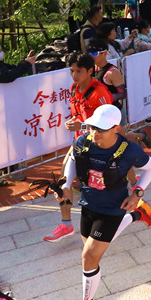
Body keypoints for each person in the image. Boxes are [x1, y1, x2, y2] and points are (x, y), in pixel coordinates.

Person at [54, 104, 151, 300]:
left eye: (100, 128)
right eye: (91, 126)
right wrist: (67, 183)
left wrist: (137, 192)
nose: (94, 132)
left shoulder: (129, 150)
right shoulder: (83, 142)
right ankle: (139, 214)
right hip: (89, 205)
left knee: (89, 256)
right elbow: (73, 160)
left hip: (113, 208)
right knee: (91, 256)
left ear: (116, 129)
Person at [42, 53, 112, 243]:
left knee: (107, 184)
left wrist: (81, 126)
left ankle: (134, 199)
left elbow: (110, 125)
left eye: (78, 71)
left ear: (90, 71)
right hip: (80, 144)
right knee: (62, 182)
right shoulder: (73, 88)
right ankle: (66, 224)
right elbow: (79, 116)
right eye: (71, 70)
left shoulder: (100, 93)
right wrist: (76, 124)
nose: (74, 75)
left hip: (100, 146)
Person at [87, 40, 151, 149]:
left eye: (94, 54)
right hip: (99, 113)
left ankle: (141, 136)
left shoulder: (112, 72)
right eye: (89, 54)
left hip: (115, 111)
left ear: (104, 53)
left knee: (119, 140)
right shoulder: (91, 70)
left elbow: (122, 94)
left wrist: (105, 98)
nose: (91, 57)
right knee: (106, 140)